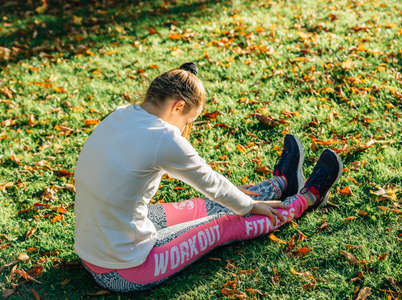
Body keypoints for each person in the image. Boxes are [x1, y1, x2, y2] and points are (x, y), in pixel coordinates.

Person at [73, 62, 343, 292]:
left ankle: (282, 183)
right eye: (189, 119)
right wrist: (249, 206)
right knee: (223, 222)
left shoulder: (120, 115)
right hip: (123, 270)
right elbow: (210, 182)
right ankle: (308, 198)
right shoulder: (162, 137)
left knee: (195, 207)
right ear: (178, 106)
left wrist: (241, 199)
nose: (186, 127)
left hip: (92, 249)